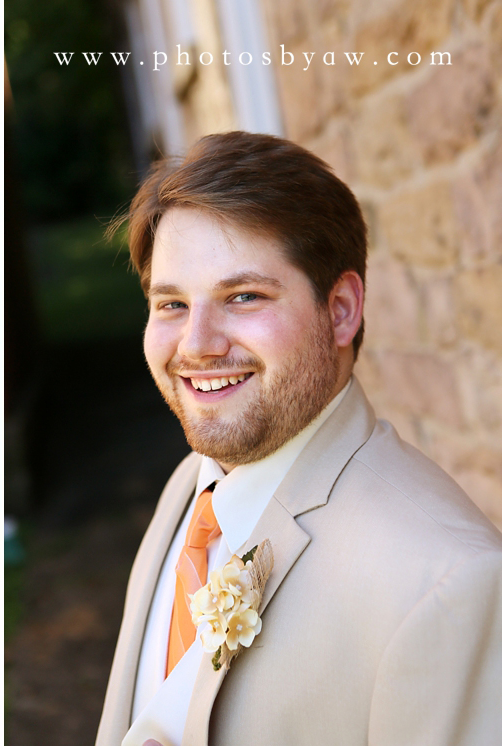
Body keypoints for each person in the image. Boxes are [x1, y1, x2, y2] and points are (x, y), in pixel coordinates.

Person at [95, 131, 502, 746]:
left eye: (244, 296)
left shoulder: (448, 583)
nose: (198, 344)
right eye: (172, 304)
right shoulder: (190, 486)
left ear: (340, 309)